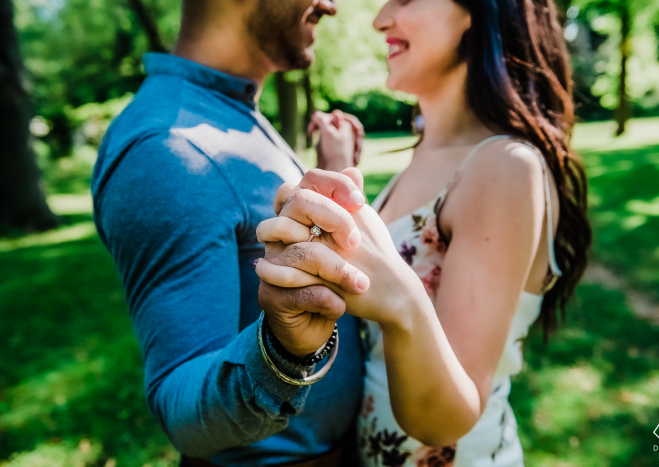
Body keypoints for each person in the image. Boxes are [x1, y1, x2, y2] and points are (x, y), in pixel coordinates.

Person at [255, 0, 592, 465]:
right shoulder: (425, 157)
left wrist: (403, 304)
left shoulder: (504, 166)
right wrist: (337, 178)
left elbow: (447, 419)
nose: (380, 20)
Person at [92, 0, 372, 466]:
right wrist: (283, 351)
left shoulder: (229, 112)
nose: (331, 5)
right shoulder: (166, 149)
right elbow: (179, 413)